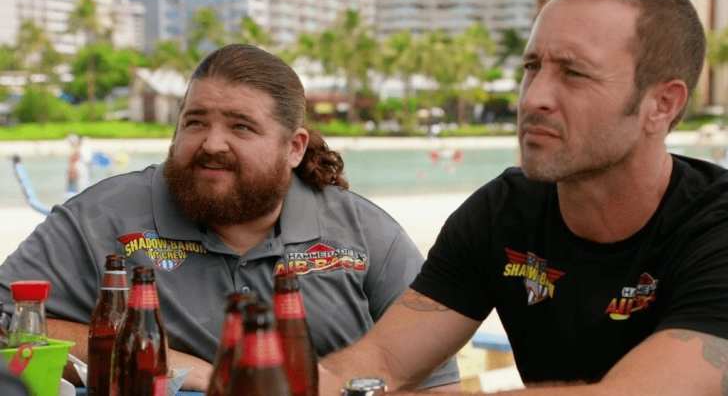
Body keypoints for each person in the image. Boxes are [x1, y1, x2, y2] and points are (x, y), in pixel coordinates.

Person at [320, 0, 728, 395]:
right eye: (532, 67)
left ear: (663, 103)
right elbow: (383, 361)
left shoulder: (714, 226)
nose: (533, 98)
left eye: (574, 73)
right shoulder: (503, 212)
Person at [0, 45, 459, 390]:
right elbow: (5, 324)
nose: (212, 143)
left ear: (294, 147)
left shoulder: (367, 234)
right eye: (195, 122)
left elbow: (436, 382)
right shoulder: (101, 217)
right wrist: (187, 369)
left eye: (241, 126)